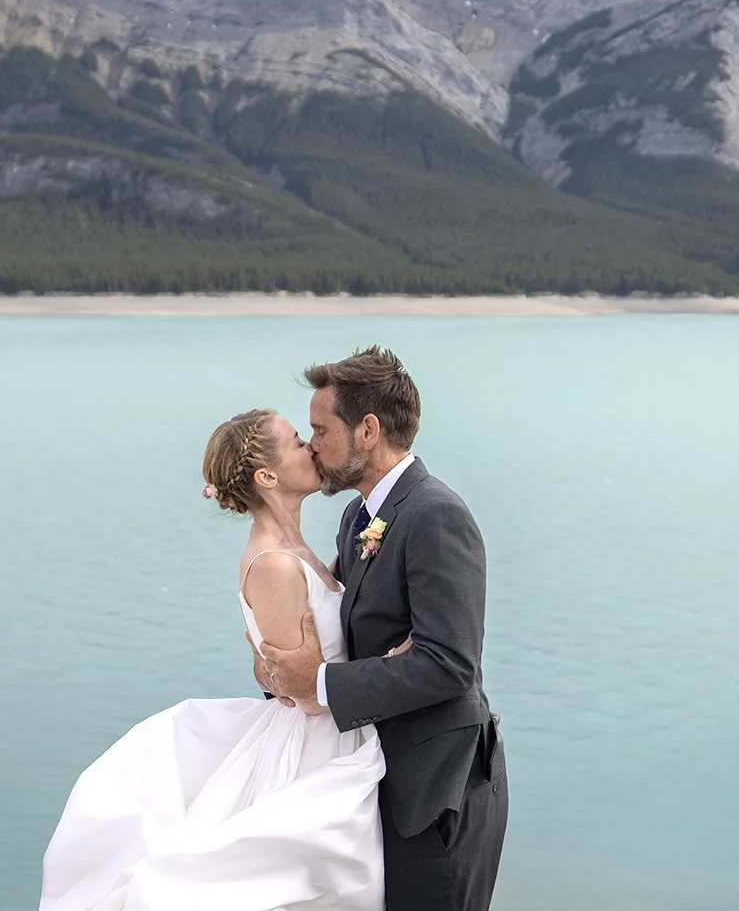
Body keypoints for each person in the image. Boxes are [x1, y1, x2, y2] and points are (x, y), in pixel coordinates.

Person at [37, 409, 385, 911]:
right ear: (267, 476)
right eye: (295, 442)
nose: (311, 446)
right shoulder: (273, 565)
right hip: (317, 747)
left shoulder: (296, 549)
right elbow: (306, 696)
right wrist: (397, 658)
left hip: (337, 730)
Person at [260, 346, 508, 911]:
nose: (313, 443)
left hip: (439, 792)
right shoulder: (359, 517)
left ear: (367, 430)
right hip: (382, 782)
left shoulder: (435, 514)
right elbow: (334, 626)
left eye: (321, 429)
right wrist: (279, 669)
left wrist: (319, 684)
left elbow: (449, 663)